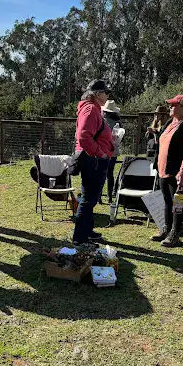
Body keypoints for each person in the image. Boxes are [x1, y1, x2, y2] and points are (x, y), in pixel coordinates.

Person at [151, 94, 183, 247]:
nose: (170, 107)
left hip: (178, 173)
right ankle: (166, 230)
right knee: (166, 201)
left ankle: (175, 234)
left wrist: (182, 174)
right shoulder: (170, 122)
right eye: (170, 104)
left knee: (177, 203)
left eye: (174, 105)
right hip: (163, 170)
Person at [72, 80, 114, 245]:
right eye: (105, 92)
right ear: (97, 94)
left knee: (89, 199)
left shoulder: (92, 109)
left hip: (93, 159)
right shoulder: (90, 109)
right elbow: (83, 136)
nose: (107, 96)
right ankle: (80, 239)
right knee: (89, 200)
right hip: (93, 159)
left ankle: (87, 232)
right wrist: (101, 153)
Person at [100, 100, 122, 204]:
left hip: (102, 149)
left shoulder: (101, 120)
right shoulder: (118, 122)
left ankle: (99, 196)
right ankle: (109, 196)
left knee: (100, 173)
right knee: (110, 173)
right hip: (113, 150)